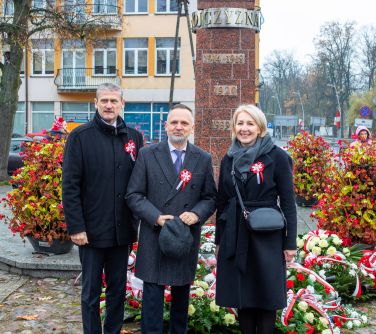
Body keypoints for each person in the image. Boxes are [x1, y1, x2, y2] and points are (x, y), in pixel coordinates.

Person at [126, 104, 217, 334]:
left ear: (192, 127)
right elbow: (134, 195)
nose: (179, 127)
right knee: (153, 299)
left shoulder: (202, 158)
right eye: (174, 122)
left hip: (184, 237)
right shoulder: (147, 154)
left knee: (181, 299)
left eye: (184, 123)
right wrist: (155, 217)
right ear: (165, 125)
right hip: (154, 235)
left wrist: (196, 213)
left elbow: (210, 197)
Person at [62, 83, 143, 334]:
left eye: (114, 101)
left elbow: (140, 180)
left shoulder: (134, 137)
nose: (109, 105)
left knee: (118, 290)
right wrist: (76, 227)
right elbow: (70, 185)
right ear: (96, 103)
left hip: (121, 231)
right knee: (91, 293)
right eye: (104, 100)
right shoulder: (80, 137)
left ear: (122, 104)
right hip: (91, 233)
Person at [215, 104, 297, 334]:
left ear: (260, 127)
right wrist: (219, 240)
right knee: (243, 295)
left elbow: (288, 202)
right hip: (235, 233)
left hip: (267, 235)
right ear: (234, 127)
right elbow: (222, 201)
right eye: (240, 123)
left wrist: (290, 243)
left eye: (250, 123)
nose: (245, 129)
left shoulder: (278, 157)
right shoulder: (228, 158)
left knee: (266, 294)